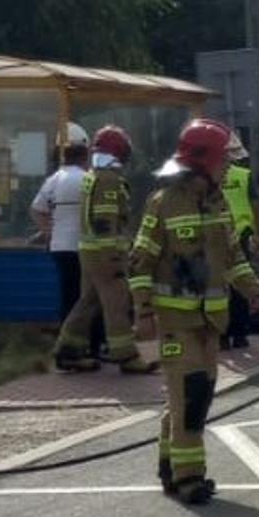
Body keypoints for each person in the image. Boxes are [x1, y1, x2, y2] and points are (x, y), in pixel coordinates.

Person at [130, 119, 259, 504]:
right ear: (204, 160)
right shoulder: (163, 202)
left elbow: (233, 258)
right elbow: (140, 261)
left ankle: (169, 467)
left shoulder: (217, 201)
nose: (228, 167)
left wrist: (256, 293)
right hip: (176, 322)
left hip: (211, 322)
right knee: (190, 397)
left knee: (192, 396)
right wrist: (143, 313)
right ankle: (190, 479)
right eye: (224, 160)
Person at [53, 127, 155, 374]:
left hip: (89, 251)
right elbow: (105, 220)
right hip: (105, 253)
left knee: (88, 302)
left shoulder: (92, 176)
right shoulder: (109, 179)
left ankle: (68, 351)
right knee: (116, 302)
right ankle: (126, 356)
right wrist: (114, 257)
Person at [32, 124, 104, 363]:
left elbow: (37, 209)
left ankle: (67, 345)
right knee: (90, 298)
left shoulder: (54, 180)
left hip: (60, 247)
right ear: (85, 155)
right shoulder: (89, 179)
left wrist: (50, 231)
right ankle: (92, 346)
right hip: (85, 248)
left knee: (68, 296)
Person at [220, 131, 259, 350]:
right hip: (241, 234)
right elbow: (256, 207)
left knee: (219, 286)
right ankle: (240, 334)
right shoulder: (244, 175)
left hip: (217, 236)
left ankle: (222, 335)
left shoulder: (207, 177)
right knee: (241, 283)